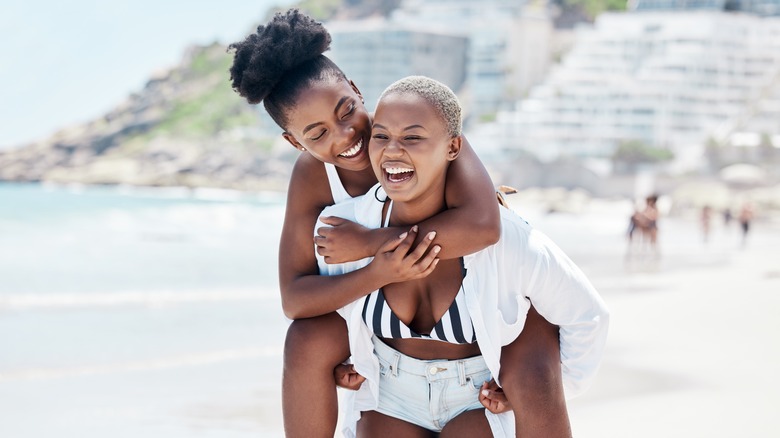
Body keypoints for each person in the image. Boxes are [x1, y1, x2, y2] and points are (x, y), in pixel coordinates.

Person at [227, 9, 565, 437]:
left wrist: (371, 242)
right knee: (305, 338)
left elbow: (483, 225)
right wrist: (378, 271)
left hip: (474, 329)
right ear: (295, 142)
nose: (345, 135)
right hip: (389, 343)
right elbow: (295, 298)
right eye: (317, 134)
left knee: (532, 332)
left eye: (346, 111)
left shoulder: (417, 129)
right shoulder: (314, 176)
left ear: (355, 88)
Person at [315, 76, 610, 437]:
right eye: (381, 136)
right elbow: (325, 309)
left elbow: (588, 316)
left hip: (478, 397)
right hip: (391, 397)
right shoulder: (346, 227)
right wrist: (347, 362)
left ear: (453, 147)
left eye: (412, 137)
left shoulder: (505, 238)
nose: (392, 150)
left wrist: (549, 391)